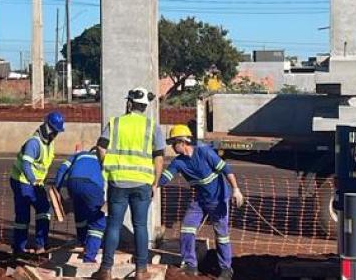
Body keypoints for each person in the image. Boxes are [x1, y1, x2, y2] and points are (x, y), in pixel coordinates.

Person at [93, 88, 166, 280]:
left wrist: (106, 166)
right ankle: (141, 271)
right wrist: (155, 183)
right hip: (143, 183)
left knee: (114, 225)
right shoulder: (153, 127)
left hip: (118, 182)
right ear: (145, 107)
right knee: (140, 226)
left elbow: (100, 146)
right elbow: (159, 158)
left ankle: (106, 270)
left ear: (130, 103)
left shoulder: (116, 123)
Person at [159, 124, 245, 280]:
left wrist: (236, 189)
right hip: (200, 201)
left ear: (183, 141)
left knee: (222, 235)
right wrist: (151, 185)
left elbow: (226, 170)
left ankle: (226, 269)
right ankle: (190, 265)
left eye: (173, 143)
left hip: (218, 199)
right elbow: (164, 178)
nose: (172, 147)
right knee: (187, 229)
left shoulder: (204, 152)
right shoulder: (178, 162)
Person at [9, 111, 65, 256]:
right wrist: (33, 181)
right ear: (47, 128)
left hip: (35, 183)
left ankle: (41, 245)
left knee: (44, 210)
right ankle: (18, 248)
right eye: (54, 131)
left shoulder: (49, 143)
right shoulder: (34, 143)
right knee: (23, 216)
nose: (55, 135)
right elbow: (26, 165)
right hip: (22, 181)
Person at [54, 146, 106, 263]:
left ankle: (82, 241)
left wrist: (57, 191)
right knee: (98, 222)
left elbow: (62, 168)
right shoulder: (102, 158)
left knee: (80, 213)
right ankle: (89, 257)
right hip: (92, 185)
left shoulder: (78, 155)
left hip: (73, 183)